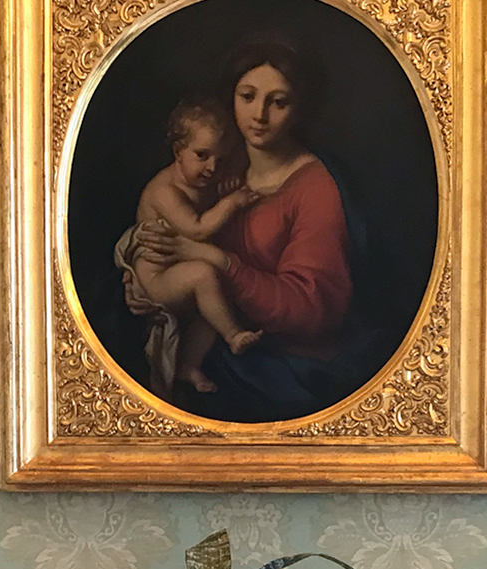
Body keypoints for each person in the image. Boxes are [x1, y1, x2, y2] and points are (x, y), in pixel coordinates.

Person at [136, 38, 374, 423]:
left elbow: (311, 312)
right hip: (210, 347)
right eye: (247, 96)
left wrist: (219, 262)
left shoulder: (316, 188)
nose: (259, 115)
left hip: (283, 366)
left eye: (278, 102)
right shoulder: (218, 163)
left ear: (299, 109)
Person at [115, 99, 263, 394]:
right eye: (202, 156)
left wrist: (226, 185)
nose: (212, 168)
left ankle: (188, 365)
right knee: (204, 276)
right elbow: (197, 229)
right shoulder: (165, 191)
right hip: (155, 280)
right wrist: (231, 202)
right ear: (177, 152)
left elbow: (214, 191)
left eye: (220, 160)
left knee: (212, 309)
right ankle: (234, 335)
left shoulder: (202, 180)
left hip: (176, 273)